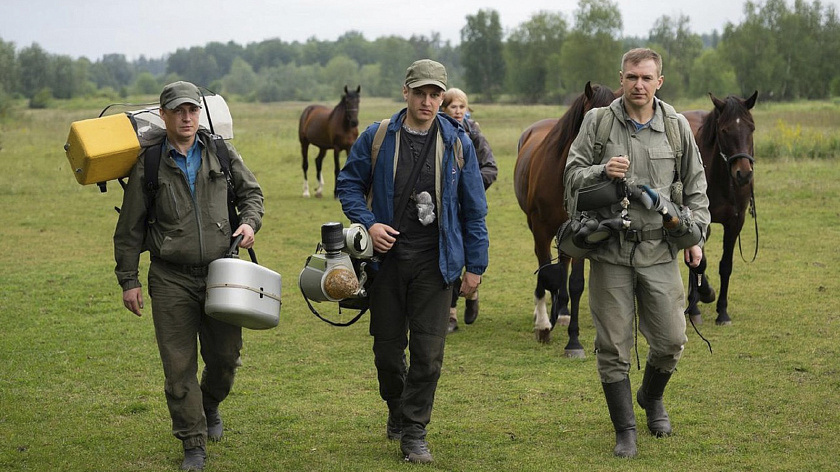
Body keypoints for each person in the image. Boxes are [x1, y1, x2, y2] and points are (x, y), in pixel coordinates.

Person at [336, 59, 489, 464]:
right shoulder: (378, 136)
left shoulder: (459, 143)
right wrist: (369, 225)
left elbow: (475, 210)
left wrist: (476, 266)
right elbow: (348, 184)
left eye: (435, 93)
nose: (427, 101)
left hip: (437, 265)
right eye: (420, 92)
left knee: (428, 353)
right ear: (405, 92)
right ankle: (396, 406)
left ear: (443, 96)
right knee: (387, 353)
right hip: (386, 266)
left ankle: (415, 431)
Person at [564, 48, 710, 458]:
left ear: (659, 81)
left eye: (646, 78)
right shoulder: (597, 122)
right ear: (621, 78)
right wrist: (600, 170)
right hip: (609, 249)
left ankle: (651, 396)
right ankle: (625, 429)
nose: (639, 85)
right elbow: (570, 175)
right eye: (631, 77)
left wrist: (694, 236)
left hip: (659, 250)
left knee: (671, 340)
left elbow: (697, 191)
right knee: (613, 344)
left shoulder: (677, 127)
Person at [113, 81, 264, 470]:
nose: (186, 117)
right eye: (178, 111)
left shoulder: (220, 151)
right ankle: (192, 442)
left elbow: (253, 194)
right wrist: (129, 280)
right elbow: (129, 229)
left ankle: (210, 404)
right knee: (178, 365)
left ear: (200, 113)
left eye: (192, 110)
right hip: (170, 278)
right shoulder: (148, 163)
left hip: (222, 273)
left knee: (225, 359)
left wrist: (249, 223)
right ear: (163, 116)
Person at [441, 87, 497, 333]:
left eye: (462, 107)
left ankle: (472, 295)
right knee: (451, 254)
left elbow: (490, 168)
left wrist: (469, 186)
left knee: (470, 252)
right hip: (445, 207)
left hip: (470, 207)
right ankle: (450, 314)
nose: (458, 111)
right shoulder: (439, 133)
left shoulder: (473, 134)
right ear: (444, 109)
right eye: (453, 106)